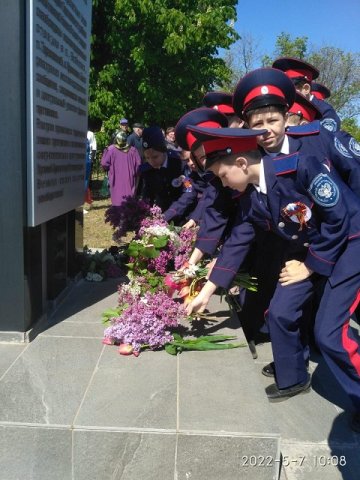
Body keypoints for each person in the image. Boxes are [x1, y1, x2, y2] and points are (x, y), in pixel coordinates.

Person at [185, 125, 360, 432]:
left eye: (223, 176)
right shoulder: (253, 197)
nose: (224, 185)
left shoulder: (300, 167)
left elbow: (339, 218)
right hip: (311, 251)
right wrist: (205, 291)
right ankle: (293, 378)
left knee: (330, 334)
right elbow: (239, 241)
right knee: (280, 311)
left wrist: (309, 268)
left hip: (349, 244)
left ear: (241, 164)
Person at [272, 56, 341, 132]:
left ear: (306, 89)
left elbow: (327, 140)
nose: (286, 94)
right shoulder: (285, 107)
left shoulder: (325, 112)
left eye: (290, 90)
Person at [137, 126, 184, 212]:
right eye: (147, 158)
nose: (152, 161)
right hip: (159, 216)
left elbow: (188, 189)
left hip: (181, 211)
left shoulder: (179, 163)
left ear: (164, 151)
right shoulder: (146, 170)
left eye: (155, 157)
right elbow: (146, 194)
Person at [101, 130, 141, 206]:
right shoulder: (133, 150)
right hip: (130, 180)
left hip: (115, 179)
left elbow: (104, 164)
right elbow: (138, 167)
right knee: (129, 203)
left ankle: (118, 215)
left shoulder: (111, 149)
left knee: (117, 201)